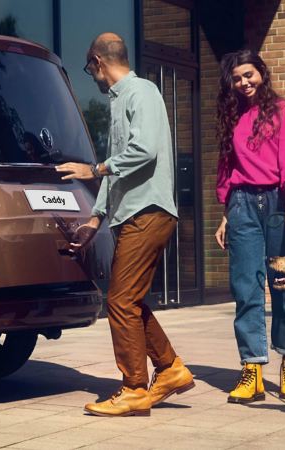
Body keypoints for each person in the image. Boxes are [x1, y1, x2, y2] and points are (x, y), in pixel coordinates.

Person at [55, 32, 194, 417]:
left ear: (98, 61)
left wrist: (94, 168)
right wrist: (95, 217)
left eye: (90, 69)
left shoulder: (141, 92)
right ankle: (169, 369)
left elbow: (144, 150)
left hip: (147, 211)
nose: (93, 77)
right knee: (128, 299)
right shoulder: (121, 102)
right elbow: (119, 171)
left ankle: (134, 387)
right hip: (132, 211)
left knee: (119, 300)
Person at [214, 49, 285, 403]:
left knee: (284, 283)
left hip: (279, 202)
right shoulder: (232, 118)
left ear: (261, 73)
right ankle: (252, 368)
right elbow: (228, 168)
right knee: (245, 287)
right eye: (237, 78)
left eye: (248, 75)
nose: (243, 83)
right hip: (241, 205)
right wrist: (227, 213)